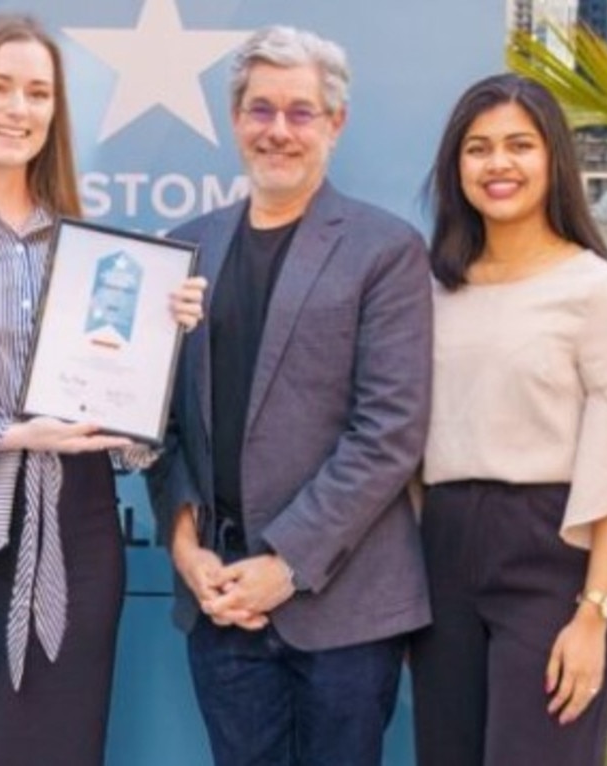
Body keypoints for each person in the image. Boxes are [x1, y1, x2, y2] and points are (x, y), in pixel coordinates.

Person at [0, 13, 205, 766]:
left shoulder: (93, 250)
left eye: (37, 93)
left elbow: (135, 434)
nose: (18, 109)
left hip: (79, 533)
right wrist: (8, 435)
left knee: (66, 744)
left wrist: (163, 336)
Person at [146, 24, 432, 766]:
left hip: (342, 607)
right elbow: (159, 419)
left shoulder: (384, 250)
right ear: (236, 118)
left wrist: (286, 563)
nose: (278, 130)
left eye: (300, 112)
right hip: (220, 603)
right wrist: (183, 546)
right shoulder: (184, 248)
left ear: (333, 123)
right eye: (260, 109)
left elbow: (389, 431)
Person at [411, 73, 607, 766]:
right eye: (477, 148)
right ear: (454, 167)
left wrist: (593, 612)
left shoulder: (598, 292)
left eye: (519, 145)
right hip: (443, 549)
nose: (497, 165)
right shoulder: (430, 290)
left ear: (552, 160)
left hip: (549, 556)